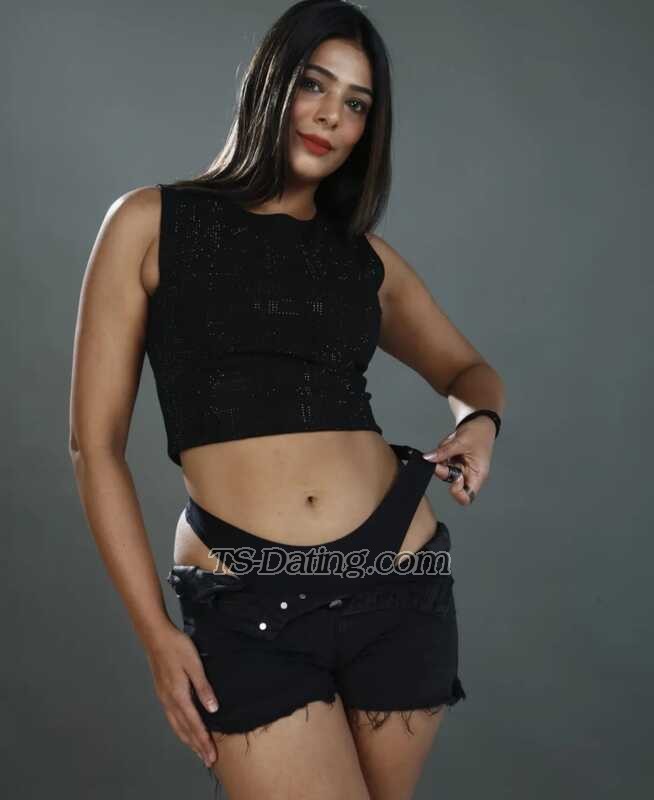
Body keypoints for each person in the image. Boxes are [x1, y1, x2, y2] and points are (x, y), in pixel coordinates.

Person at [69, 1, 505, 798]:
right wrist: (156, 634)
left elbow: (470, 370)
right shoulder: (150, 223)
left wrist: (479, 424)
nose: (332, 115)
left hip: (398, 581)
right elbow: (93, 448)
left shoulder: (363, 259)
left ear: (368, 129)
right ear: (272, 81)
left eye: (357, 103)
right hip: (247, 595)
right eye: (314, 84)